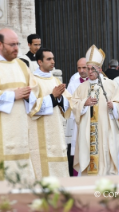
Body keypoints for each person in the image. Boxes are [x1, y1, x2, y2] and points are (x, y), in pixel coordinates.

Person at [0, 28, 46, 183]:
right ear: (0, 44)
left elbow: (34, 89)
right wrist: (13, 95)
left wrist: (27, 95)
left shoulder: (21, 65)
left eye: (17, 44)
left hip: (20, 132)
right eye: (12, 44)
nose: (16, 48)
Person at [71, 44, 119, 176]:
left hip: (105, 131)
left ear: (100, 69)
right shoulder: (82, 88)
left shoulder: (110, 85)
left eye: (93, 69)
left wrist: (114, 106)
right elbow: (73, 105)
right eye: (88, 68)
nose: (90, 71)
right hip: (88, 134)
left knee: (106, 162)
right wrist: (83, 104)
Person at [29, 48, 72, 179]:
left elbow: (68, 102)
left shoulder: (55, 81)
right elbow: (31, 107)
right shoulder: (33, 81)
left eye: (53, 59)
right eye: (49, 59)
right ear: (39, 62)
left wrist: (59, 98)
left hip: (56, 130)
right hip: (39, 132)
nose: (53, 62)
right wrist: (53, 97)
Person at [65, 57, 88, 176]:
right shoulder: (73, 83)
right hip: (78, 122)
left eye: (84, 67)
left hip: (94, 122)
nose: (81, 70)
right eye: (79, 68)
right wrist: (84, 104)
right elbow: (70, 102)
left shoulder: (98, 81)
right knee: (78, 151)